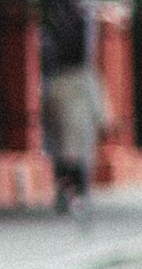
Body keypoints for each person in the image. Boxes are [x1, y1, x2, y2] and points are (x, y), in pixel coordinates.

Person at [42, 46, 109, 217]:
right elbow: (97, 103)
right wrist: (104, 122)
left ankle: (65, 192)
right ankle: (78, 197)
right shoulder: (87, 77)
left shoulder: (59, 78)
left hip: (64, 130)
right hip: (82, 130)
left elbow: (50, 103)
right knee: (80, 165)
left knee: (64, 163)